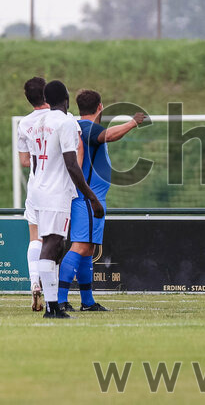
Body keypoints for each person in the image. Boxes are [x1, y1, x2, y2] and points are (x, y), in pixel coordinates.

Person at [56, 90, 144, 312]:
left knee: (88, 249)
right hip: (88, 199)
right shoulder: (88, 129)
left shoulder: (78, 127)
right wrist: (133, 122)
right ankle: (60, 300)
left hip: (90, 199)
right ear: (100, 107)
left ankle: (87, 302)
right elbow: (110, 135)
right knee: (78, 247)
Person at [24, 81, 104, 319]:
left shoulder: (39, 122)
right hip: (55, 192)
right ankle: (51, 307)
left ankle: (53, 304)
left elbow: (34, 160)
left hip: (37, 189)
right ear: (66, 98)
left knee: (53, 244)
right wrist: (92, 198)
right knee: (53, 244)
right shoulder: (66, 122)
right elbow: (71, 163)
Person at [16, 76, 49, 311]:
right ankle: (53, 293)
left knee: (35, 237)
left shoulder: (23, 124)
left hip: (35, 186)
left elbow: (25, 161)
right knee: (54, 241)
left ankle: (34, 283)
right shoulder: (62, 118)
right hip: (57, 187)